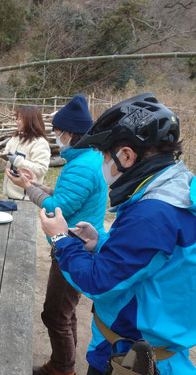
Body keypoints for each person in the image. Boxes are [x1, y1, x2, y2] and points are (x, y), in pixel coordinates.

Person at [39, 93, 196, 375]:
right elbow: (154, 261)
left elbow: (99, 283)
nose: (102, 162)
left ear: (126, 155)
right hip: (156, 345)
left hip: (131, 358)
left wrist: (62, 239)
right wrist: (102, 243)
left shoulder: (152, 215)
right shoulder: (178, 192)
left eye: (104, 154)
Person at [6, 94, 108, 375]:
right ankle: (63, 364)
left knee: (55, 314)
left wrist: (29, 189)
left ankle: (62, 369)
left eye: (58, 132)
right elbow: (65, 195)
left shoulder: (83, 166)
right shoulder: (86, 158)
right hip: (76, 242)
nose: (56, 136)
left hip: (73, 244)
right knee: (65, 311)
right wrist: (35, 184)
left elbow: (58, 207)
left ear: (70, 132)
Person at [0, 105, 51, 200]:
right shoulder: (14, 139)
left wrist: (17, 160)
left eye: (20, 119)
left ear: (30, 121)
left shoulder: (40, 143)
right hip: (10, 195)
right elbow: (9, 163)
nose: (17, 121)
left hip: (27, 197)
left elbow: (41, 169)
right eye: (17, 118)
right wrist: (0, 159)